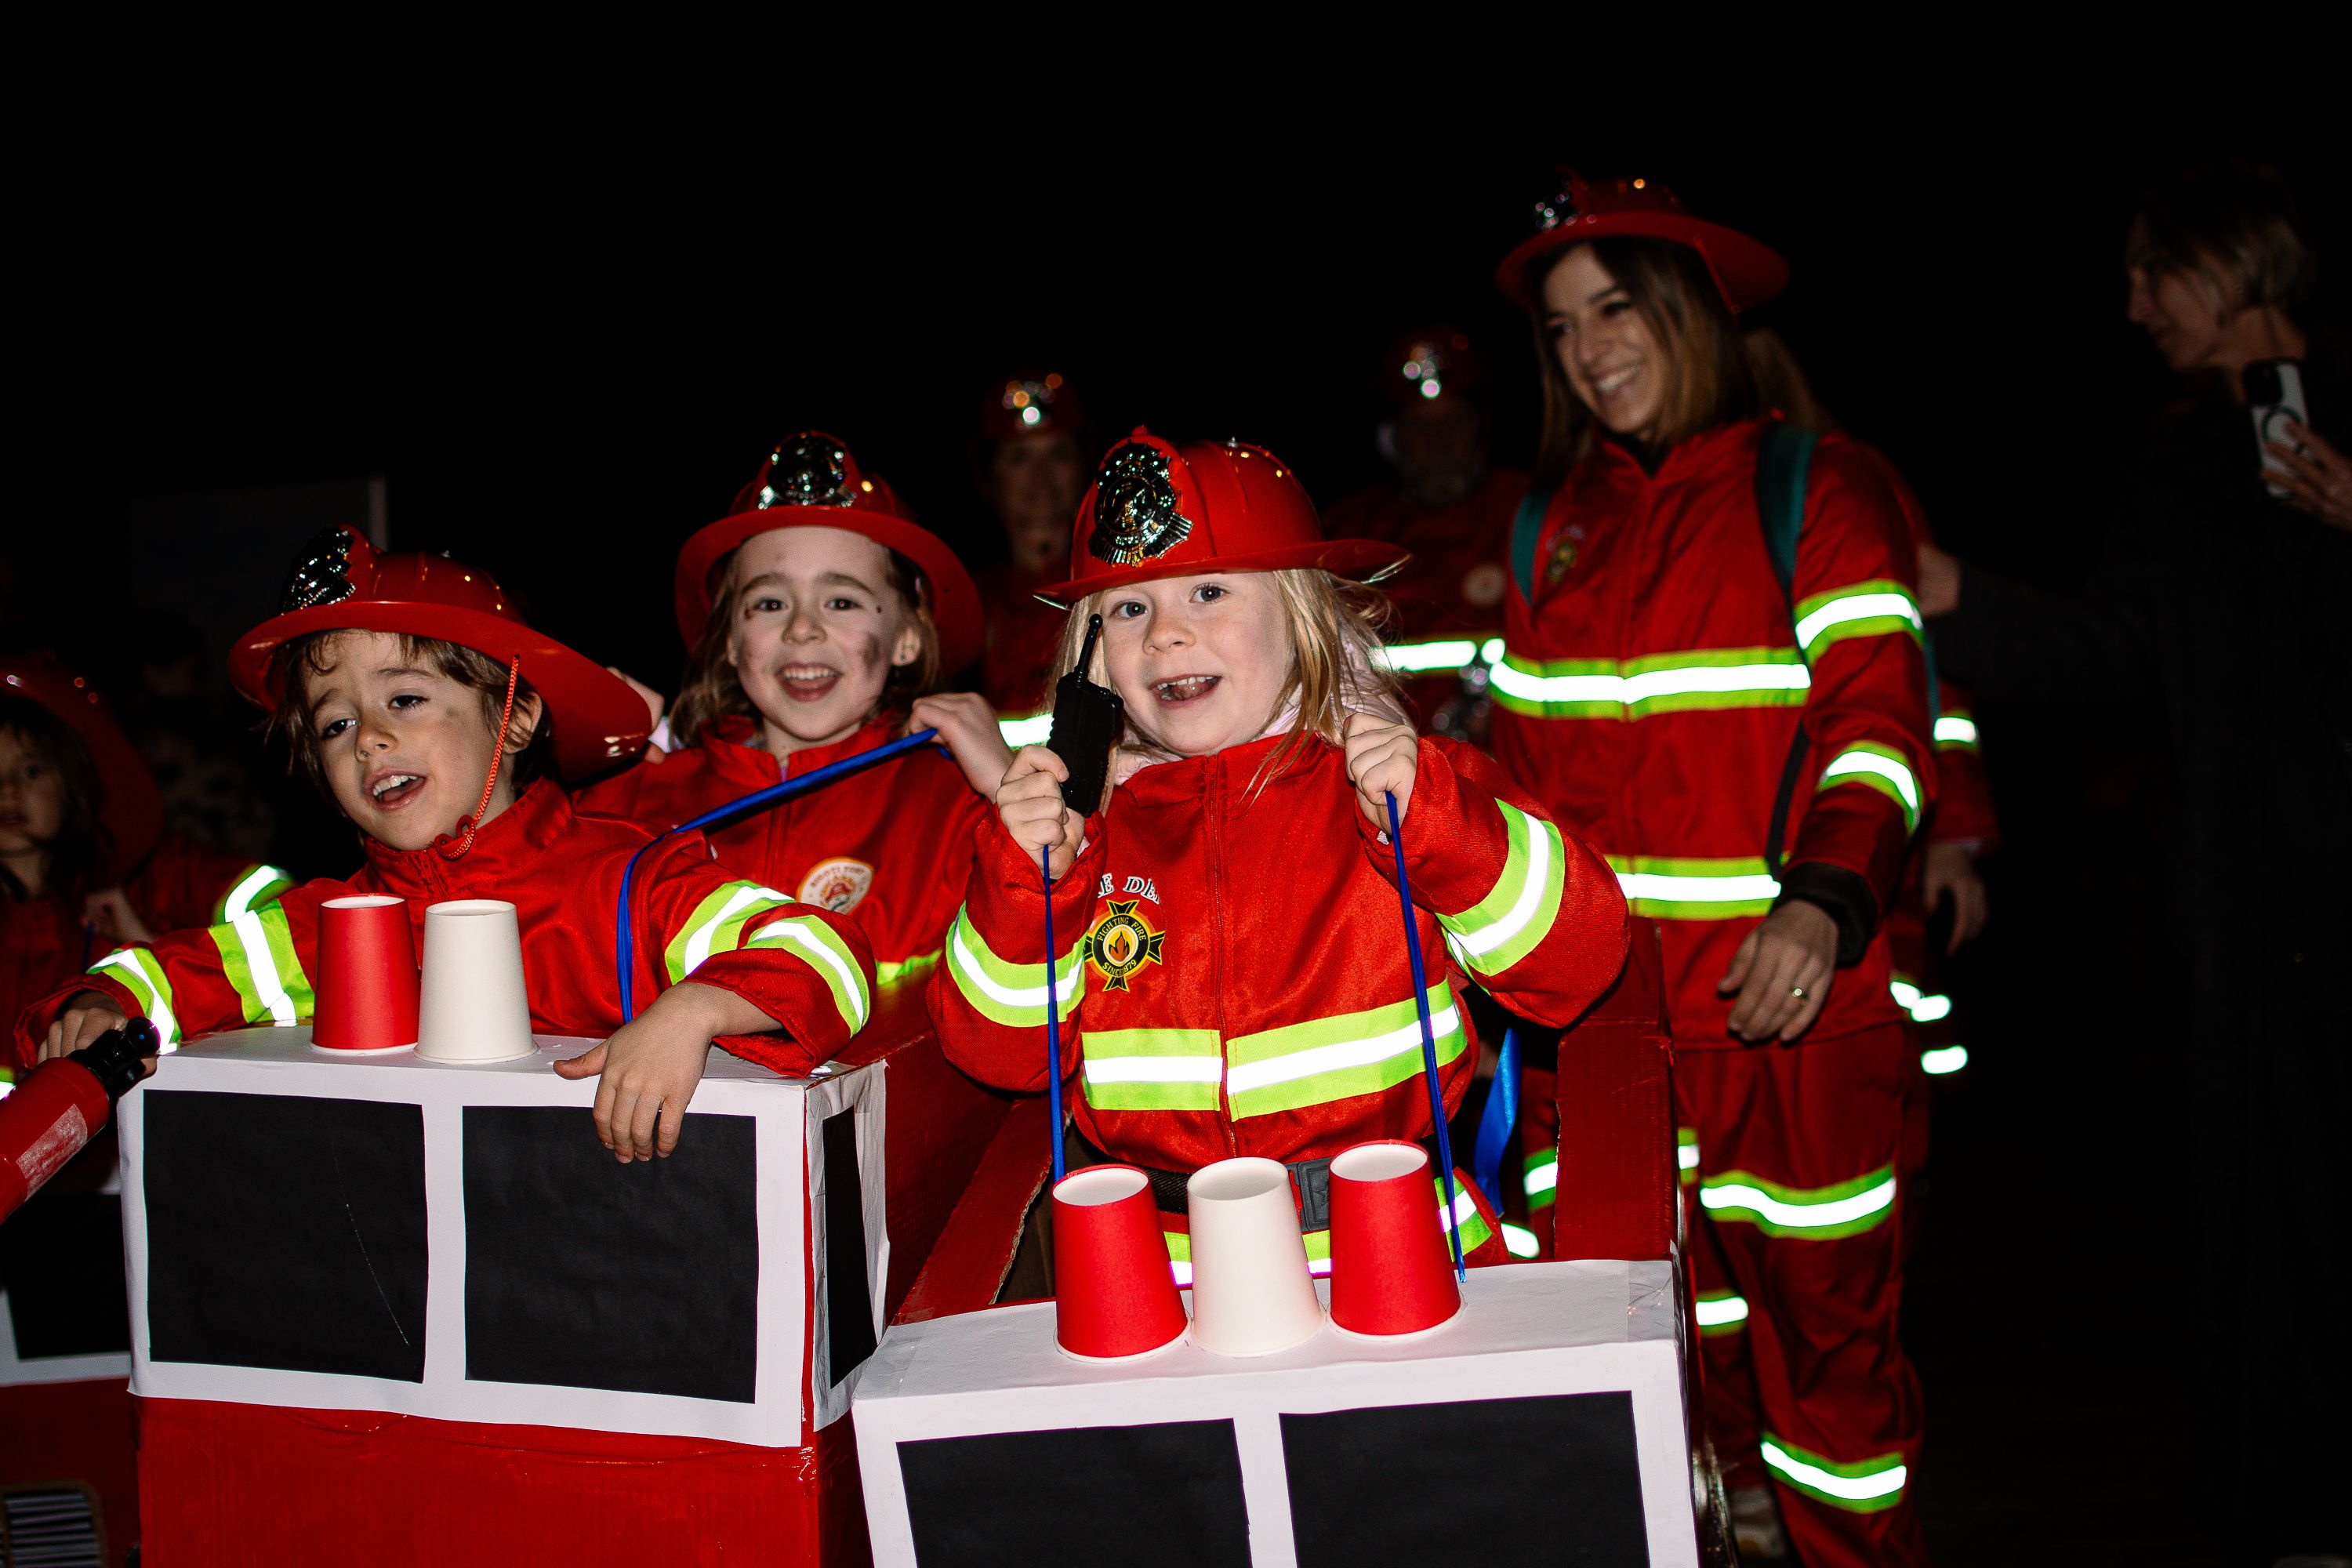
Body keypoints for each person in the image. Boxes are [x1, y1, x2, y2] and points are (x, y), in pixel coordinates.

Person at [1489, 172, 1938, 1566]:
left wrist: (1824, 898)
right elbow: (1521, 788)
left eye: (1615, 308)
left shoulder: (1820, 484)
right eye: (1562, 327)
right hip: (1611, 1048)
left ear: (1693, 309)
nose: (1588, 349)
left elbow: (1883, 723)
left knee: (1834, 1386)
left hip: (1788, 1028)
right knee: (1679, 1365)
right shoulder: (1545, 528)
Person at [1917, 158, 2350, 1564]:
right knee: (2267, 1218)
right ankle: (2292, 1509)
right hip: (2244, 913)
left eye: (2154, 270)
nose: (2132, 304)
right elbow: (2110, 658)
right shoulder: (2179, 458)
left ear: (2236, 264)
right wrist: (1952, 594)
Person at [928, 428, 1630, 1282]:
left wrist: (1441, 828)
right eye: (1129, 608)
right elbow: (995, 1050)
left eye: (1210, 591)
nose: (1166, 637)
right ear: (1090, 661)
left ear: (1299, 619)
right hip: (1168, 1285)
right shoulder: (1079, 835)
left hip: (1405, 1259)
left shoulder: (1402, 787)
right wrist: (1031, 881)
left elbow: (1581, 958)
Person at [11, 528, 877, 1164]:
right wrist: (85, 1004)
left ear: (518, 713)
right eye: (338, 722)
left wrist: (691, 1012)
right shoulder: (330, 926)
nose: (371, 740)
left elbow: (827, 954)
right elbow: (161, 977)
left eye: (408, 699)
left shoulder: (627, 883)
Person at [581, 432, 1010, 988]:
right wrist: (576, 758)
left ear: (907, 636)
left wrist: (1011, 792)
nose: (802, 628)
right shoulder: (633, 803)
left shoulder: (955, 808)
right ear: (732, 639)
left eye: (841, 601)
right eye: (769, 603)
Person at [2, 656, 293, 1060]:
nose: (7, 791)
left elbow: (289, 926)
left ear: (77, 778)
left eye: (31, 770)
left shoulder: (155, 874)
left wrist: (144, 940)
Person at [1323, 328, 1530, 741]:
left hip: (1510, 771)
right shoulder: (1343, 537)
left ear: (1481, 429)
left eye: (1454, 422)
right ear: (1392, 439)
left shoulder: (1534, 515)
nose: (1440, 444)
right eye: (1420, 428)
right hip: (1378, 773)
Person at [971, 372, 1093, 729]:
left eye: (1059, 454)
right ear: (990, 477)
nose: (1042, 476)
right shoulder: (962, 604)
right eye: (1020, 458)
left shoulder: (1113, 591)